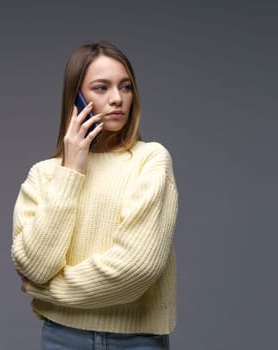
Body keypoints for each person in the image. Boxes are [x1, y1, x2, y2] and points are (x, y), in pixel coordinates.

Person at [11, 41, 179, 349]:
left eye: (126, 87)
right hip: (61, 338)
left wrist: (46, 291)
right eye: (101, 88)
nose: (118, 99)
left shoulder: (150, 160)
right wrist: (72, 169)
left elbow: (136, 269)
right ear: (75, 97)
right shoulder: (44, 175)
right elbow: (35, 266)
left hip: (136, 342)